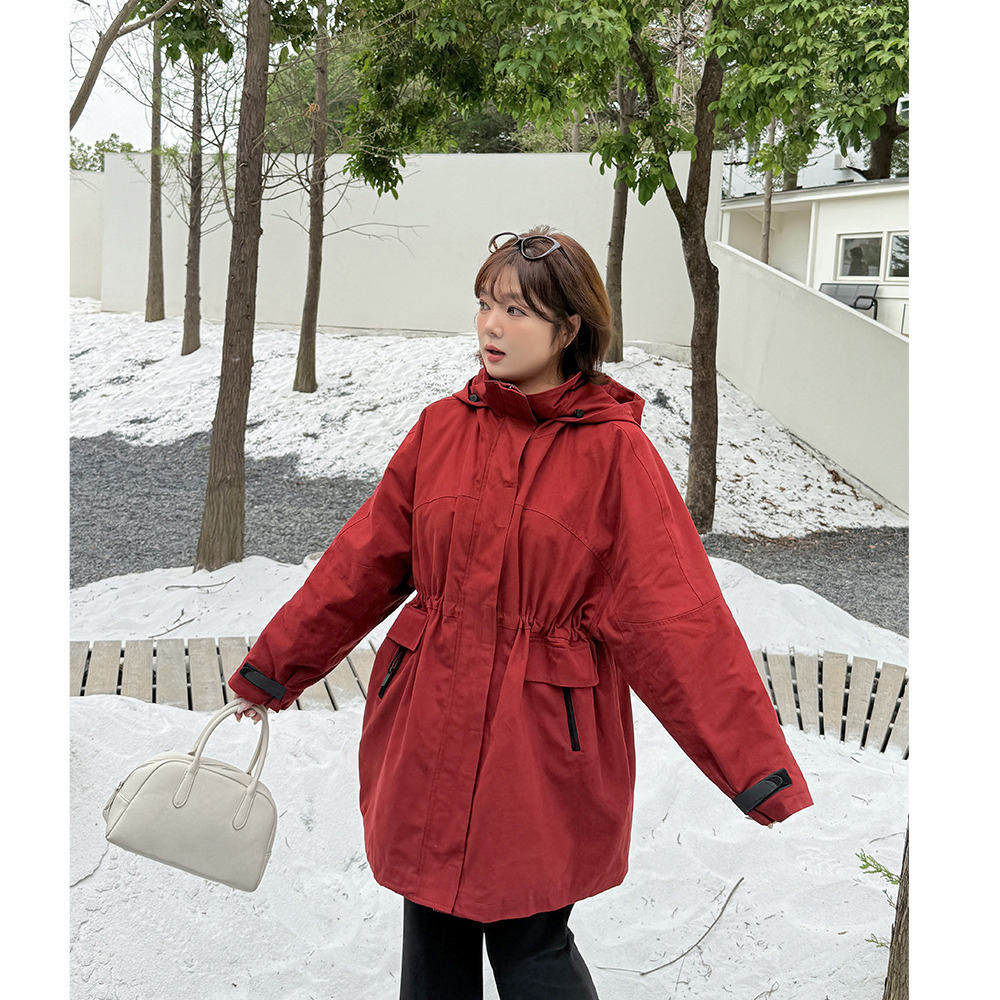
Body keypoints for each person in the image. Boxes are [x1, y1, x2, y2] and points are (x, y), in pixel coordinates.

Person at [227, 227, 814, 999]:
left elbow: (678, 618)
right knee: (432, 939)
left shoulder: (615, 457)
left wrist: (756, 771)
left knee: (532, 945)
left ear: (570, 328)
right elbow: (362, 562)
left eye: (515, 310)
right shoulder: (442, 429)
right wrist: (274, 668)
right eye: (484, 304)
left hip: (539, 740)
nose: (490, 326)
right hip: (428, 721)